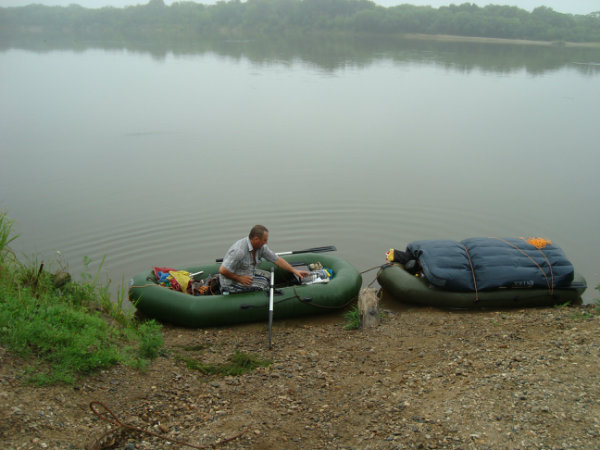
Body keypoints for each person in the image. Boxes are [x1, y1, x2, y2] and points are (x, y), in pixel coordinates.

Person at [218, 225, 309, 294]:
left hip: (247, 273)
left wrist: (294, 270)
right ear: (256, 239)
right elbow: (222, 270)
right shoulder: (239, 251)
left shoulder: (261, 247)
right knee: (263, 284)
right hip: (231, 283)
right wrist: (239, 279)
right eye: (264, 240)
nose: (266, 242)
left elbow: (276, 259)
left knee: (269, 276)